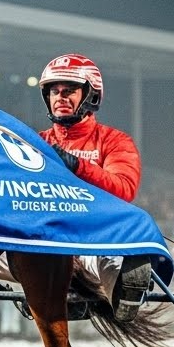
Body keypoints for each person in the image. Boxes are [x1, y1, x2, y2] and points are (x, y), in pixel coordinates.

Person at [36, 53, 154, 321]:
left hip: (92, 239)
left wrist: (76, 166)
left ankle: (123, 287)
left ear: (90, 95)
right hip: (43, 241)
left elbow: (124, 189)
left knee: (111, 259)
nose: (60, 97)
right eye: (54, 91)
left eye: (70, 90)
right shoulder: (36, 142)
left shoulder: (115, 141)